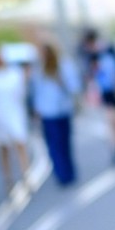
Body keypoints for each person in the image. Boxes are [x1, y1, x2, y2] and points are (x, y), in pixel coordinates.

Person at [30, 43, 81, 186]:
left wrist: (61, 81)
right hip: (49, 113)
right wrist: (37, 108)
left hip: (62, 110)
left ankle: (68, 172)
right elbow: (37, 91)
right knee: (55, 145)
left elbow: (74, 86)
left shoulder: (63, 65)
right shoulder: (39, 68)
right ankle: (63, 174)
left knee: (63, 143)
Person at [0, 49, 30, 194]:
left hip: (15, 114)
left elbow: (21, 93)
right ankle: (8, 178)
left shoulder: (15, 75)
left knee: (20, 144)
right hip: (0, 118)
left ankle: (25, 175)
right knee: (4, 149)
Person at [81, 30, 115, 164]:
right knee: (111, 120)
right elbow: (91, 75)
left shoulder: (108, 49)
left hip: (114, 88)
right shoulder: (93, 55)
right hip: (105, 91)